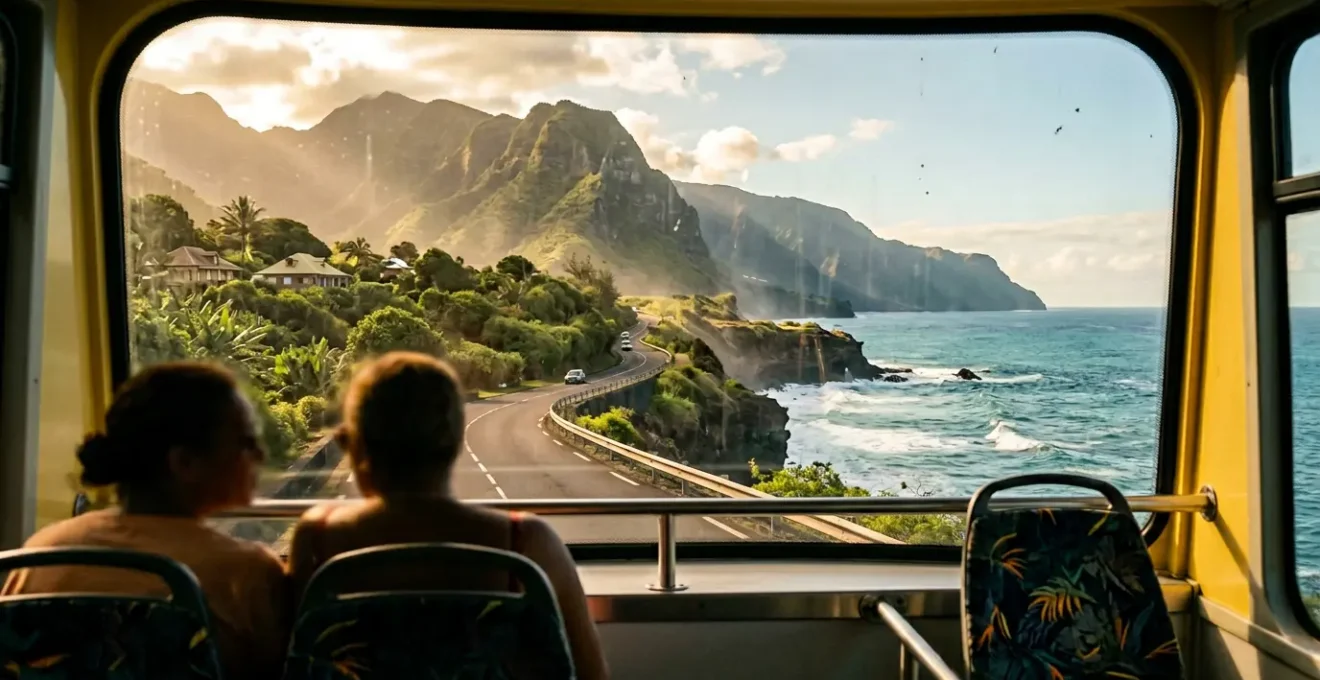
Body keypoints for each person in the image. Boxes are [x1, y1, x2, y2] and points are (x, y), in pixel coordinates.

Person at [288, 352, 609, 679]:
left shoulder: (317, 537)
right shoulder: (528, 543)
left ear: (354, 446)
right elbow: (590, 673)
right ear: (456, 440)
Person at [1, 361, 290, 680]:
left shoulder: (43, 552)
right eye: (246, 443)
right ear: (184, 462)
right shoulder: (244, 573)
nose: (260, 456)